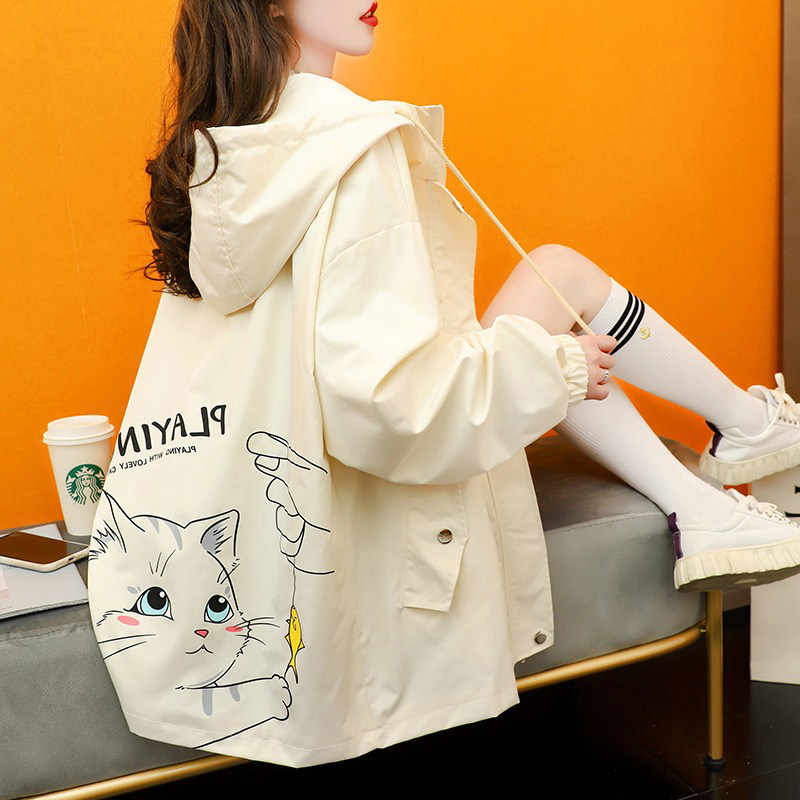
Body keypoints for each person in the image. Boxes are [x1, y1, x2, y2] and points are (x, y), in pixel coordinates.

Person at [86, 0, 800, 768]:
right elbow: (392, 407)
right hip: (372, 483)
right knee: (558, 301)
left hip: (271, 467)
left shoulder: (228, 151)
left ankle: (727, 465)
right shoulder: (356, 147)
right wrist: (553, 371)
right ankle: (738, 449)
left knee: (555, 276)